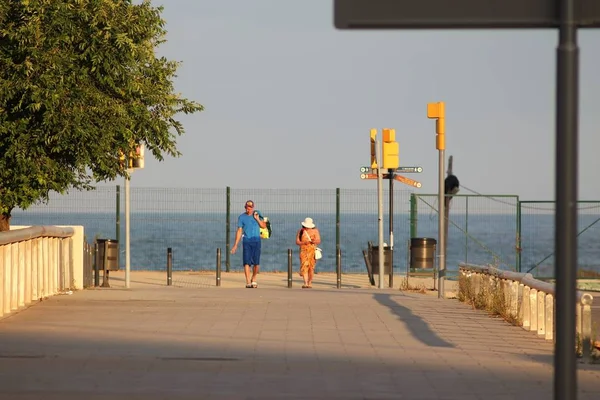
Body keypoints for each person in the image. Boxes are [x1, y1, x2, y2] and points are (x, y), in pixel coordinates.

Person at [231, 200, 267, 288]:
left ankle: (254, 278)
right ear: (245, 207)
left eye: (250, 207)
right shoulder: (241, 217)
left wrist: (257, 218)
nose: (249, 209)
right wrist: (235, 245)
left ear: (253, 207)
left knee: (256, 263)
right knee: (246, 262)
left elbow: (263, 226)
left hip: (256, 241)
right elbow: (239, 230)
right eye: (247, 207)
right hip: (247, 241)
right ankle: (248, 281)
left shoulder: (257, 214)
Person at [295, 217, 321, 289]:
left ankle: (310, 282)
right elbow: (297, 241)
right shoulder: (300, 231)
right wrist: (304, 242)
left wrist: (314, 241)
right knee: (304, 267)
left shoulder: (315, 231)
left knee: (311, 268)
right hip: (303, 251)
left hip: (312, 251)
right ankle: (305, 283)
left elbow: (318, 240)